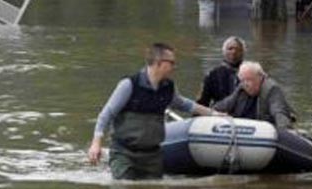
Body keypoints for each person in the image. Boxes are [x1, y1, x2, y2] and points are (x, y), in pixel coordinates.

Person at [87, 43, 219, 180]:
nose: (175, 67)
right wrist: (96, 143)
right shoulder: (129, 85)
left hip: (152, 155)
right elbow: (106, 114)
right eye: (172, 63)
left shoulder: (168, 87)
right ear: (159, 63)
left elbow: (185, 104)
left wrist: (214, 114)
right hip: (124, 153)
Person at [213, 61, 297, 129]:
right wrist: (210, 112)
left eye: (249, 80)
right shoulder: (241, 89)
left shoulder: (271, 89)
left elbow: (279, 112)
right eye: (242, 80)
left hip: (263, 131)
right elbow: (225, 104)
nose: (245, 84)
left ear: (260, 77)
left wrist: (285, 131)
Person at [197, 36, 246, 106]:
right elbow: (202, 102)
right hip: (220, 113)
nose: (234, 52)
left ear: (243, 52)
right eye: (230, 49)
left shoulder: (251, 73)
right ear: (224, 51)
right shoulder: (212, 74)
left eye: (238, 49)